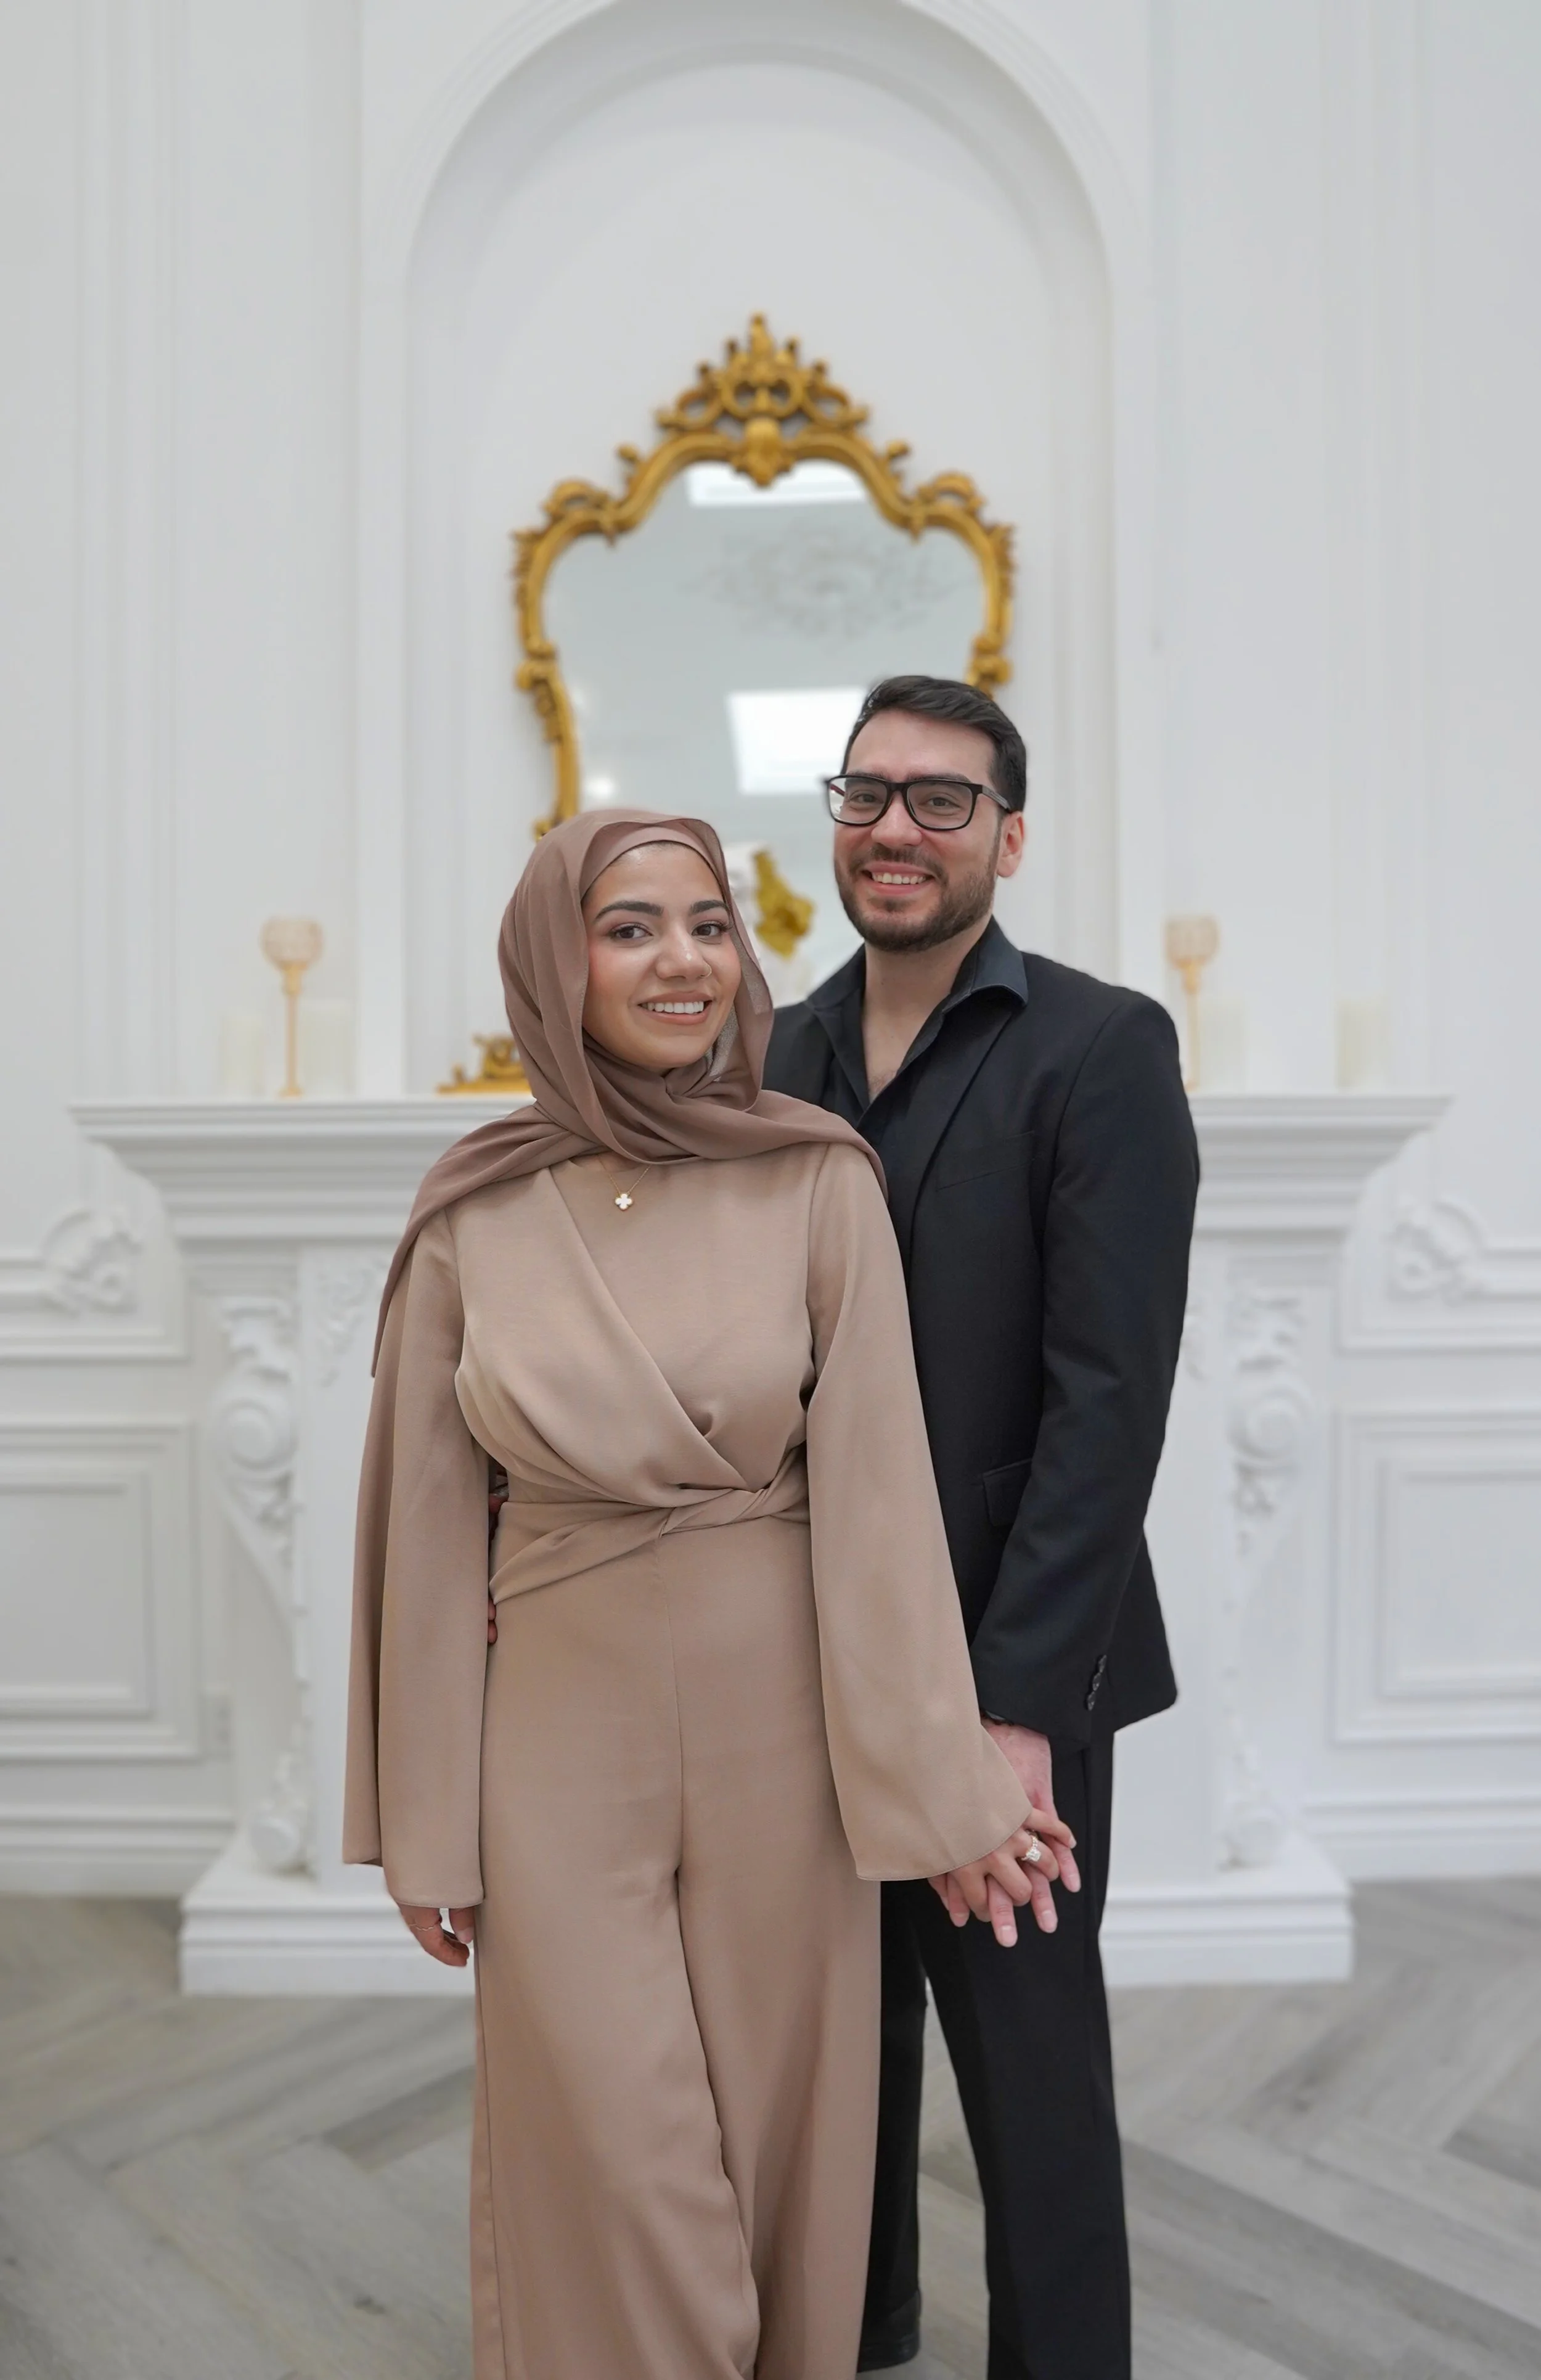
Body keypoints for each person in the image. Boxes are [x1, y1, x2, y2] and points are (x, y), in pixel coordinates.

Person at [343, 808, 1069, 2380]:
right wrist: (423, 1811)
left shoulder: (817, 1180)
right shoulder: (472, 1206)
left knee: (770, 2155)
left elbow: (877, 1509)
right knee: (613, 2150)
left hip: (780, 1740)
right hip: (552, 1734)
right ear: (558, 960)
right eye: (628, 926)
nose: (680, 958)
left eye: (705, 921)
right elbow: (416, 1533)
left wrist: (952, 1783)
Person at [765, 678, 1200, 2380]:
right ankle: (855, 2340)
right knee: (833, 2052)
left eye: (940, 801)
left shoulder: (1099, 1047)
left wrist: (1014, 1713)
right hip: (797, 1649)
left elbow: (1110, 1401)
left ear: (1006, 837)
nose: (893, 827)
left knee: (1026, 2067)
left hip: (1001, 1666)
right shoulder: (773, 1048)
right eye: (866, 793)